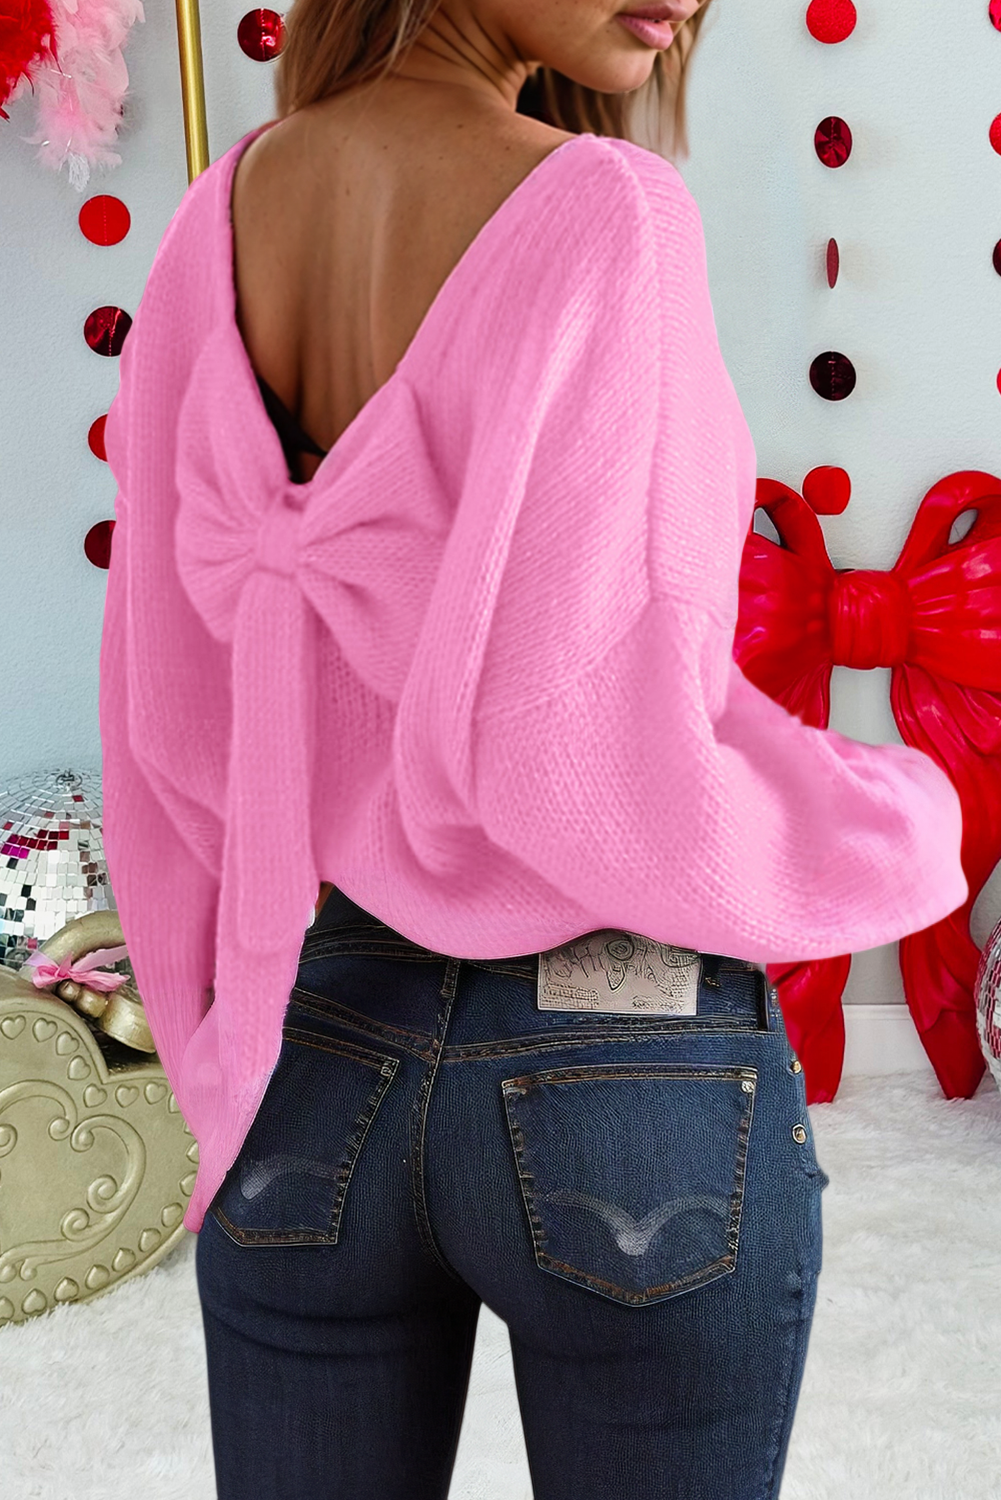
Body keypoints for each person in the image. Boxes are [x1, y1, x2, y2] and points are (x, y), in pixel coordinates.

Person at [98, 1, 968, 1496]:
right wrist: (890, 816)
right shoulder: (609, 207)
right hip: (619, 1064)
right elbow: (612, 753)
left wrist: (212, 1027)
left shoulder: (220, 213)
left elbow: (164, 708)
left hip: (310, 1040)